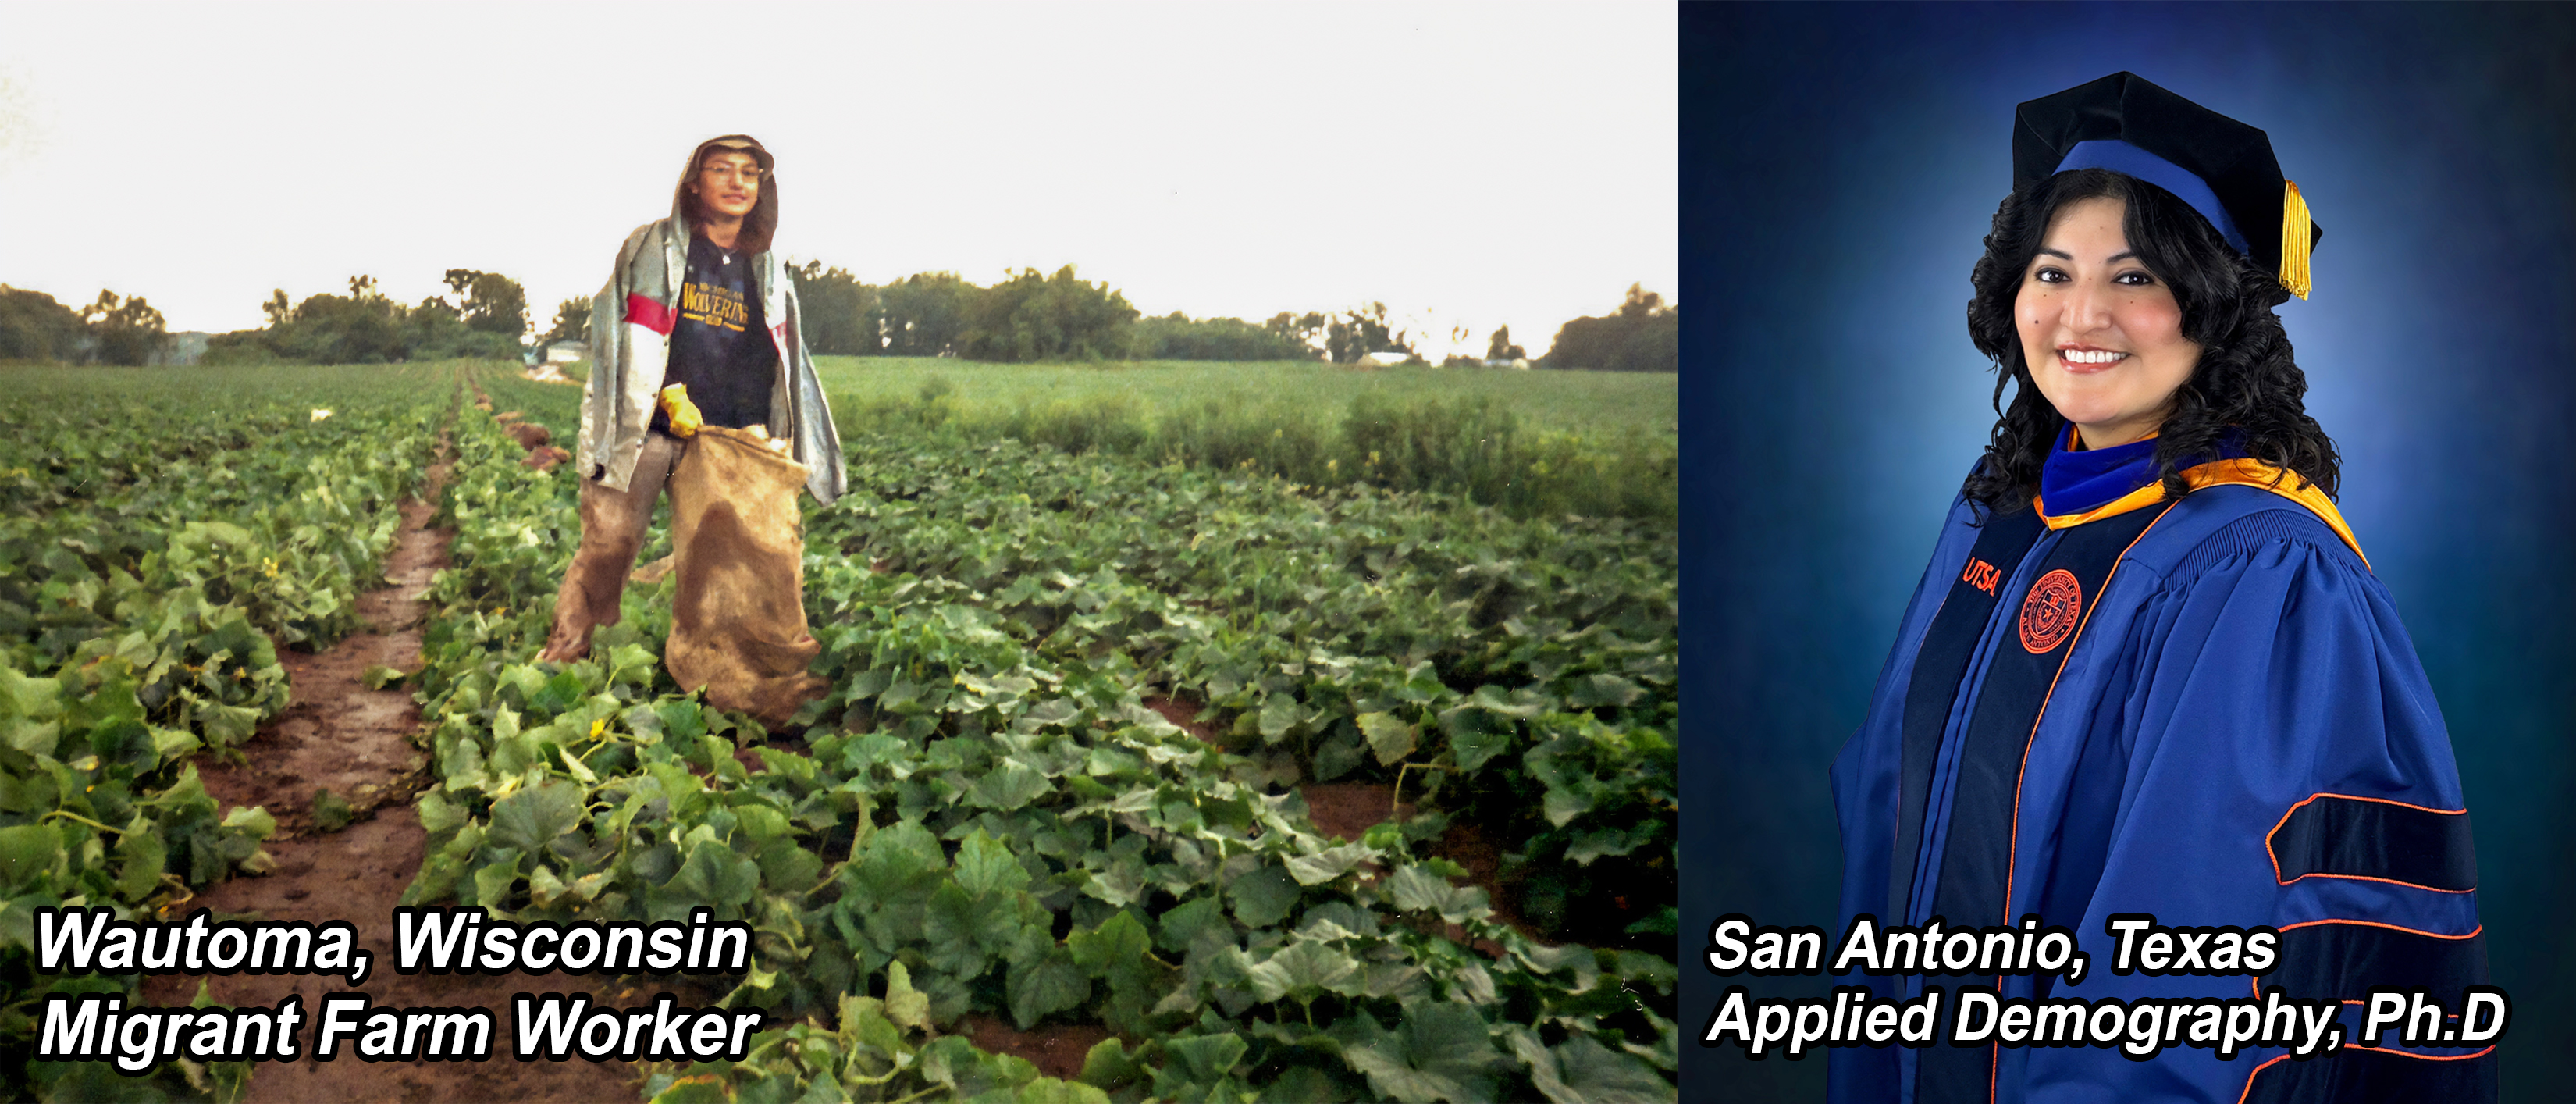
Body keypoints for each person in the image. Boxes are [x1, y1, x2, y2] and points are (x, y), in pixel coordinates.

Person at [1831, 73, 2492, 1102]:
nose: (2081, 314)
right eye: (2051, 272)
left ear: (2214, 309)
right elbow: (1888, 843)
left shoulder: (2261, 571)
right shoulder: (1997, 524)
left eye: (2136, 277)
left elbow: (2190, 987)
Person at [539, 134, 846, 664]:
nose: (736, 183)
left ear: (761, 188)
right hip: (647, 430)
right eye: (722, 170)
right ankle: (566, 656)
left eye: (749, 174)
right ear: (694, 183)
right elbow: (616, 333)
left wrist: (770, 435)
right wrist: (641, 402)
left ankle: (721, 674)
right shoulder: (651, 248)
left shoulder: (769, 270)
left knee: (736, 563)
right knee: (608, 548)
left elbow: (780, 358)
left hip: (724, 438)